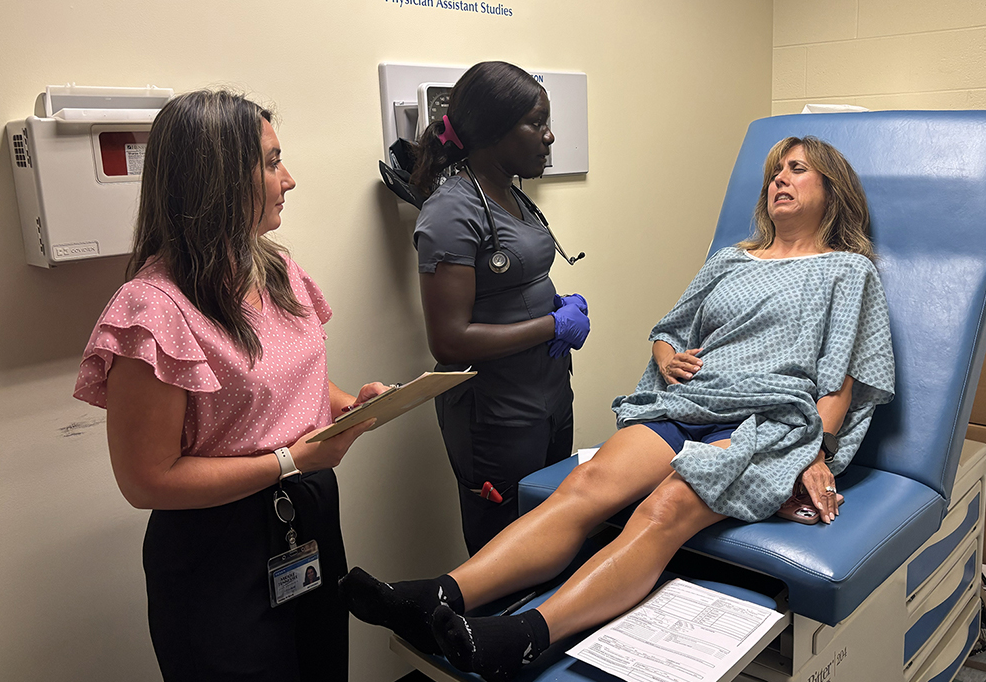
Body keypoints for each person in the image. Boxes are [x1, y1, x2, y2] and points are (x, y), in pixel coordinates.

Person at [339, 135, 895, 682]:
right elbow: (669, 329)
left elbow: (838, 384)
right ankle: (442, 593)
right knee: (586, 486)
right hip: (690, 401)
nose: (779, 179)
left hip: (768, 421)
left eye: (797, 170)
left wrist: (812, 452)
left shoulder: (847, 270)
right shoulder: (733, 259)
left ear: (833, 189)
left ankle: (528, 636)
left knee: (662, 509)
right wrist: (668, 356)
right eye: (775, 171)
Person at [73, 90, 386, 682]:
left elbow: (287, 383)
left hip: (308, 521)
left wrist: (351, 405)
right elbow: (147, 479)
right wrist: (289, 461)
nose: (288, 179)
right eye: (271, 163)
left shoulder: (274, 270)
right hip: (218, 549)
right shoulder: (153, 311)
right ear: (215, 179)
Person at [404, 61, 590, 554]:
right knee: (504, 553)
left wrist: (559, 304)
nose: (549, 137)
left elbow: (512, 281)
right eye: (536, 123)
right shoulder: (451, 211)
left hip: (546, 399)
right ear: (491, 129)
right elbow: (449, 339)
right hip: (496, 417)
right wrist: (552, 324)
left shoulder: (508, 192)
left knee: (552, 536)